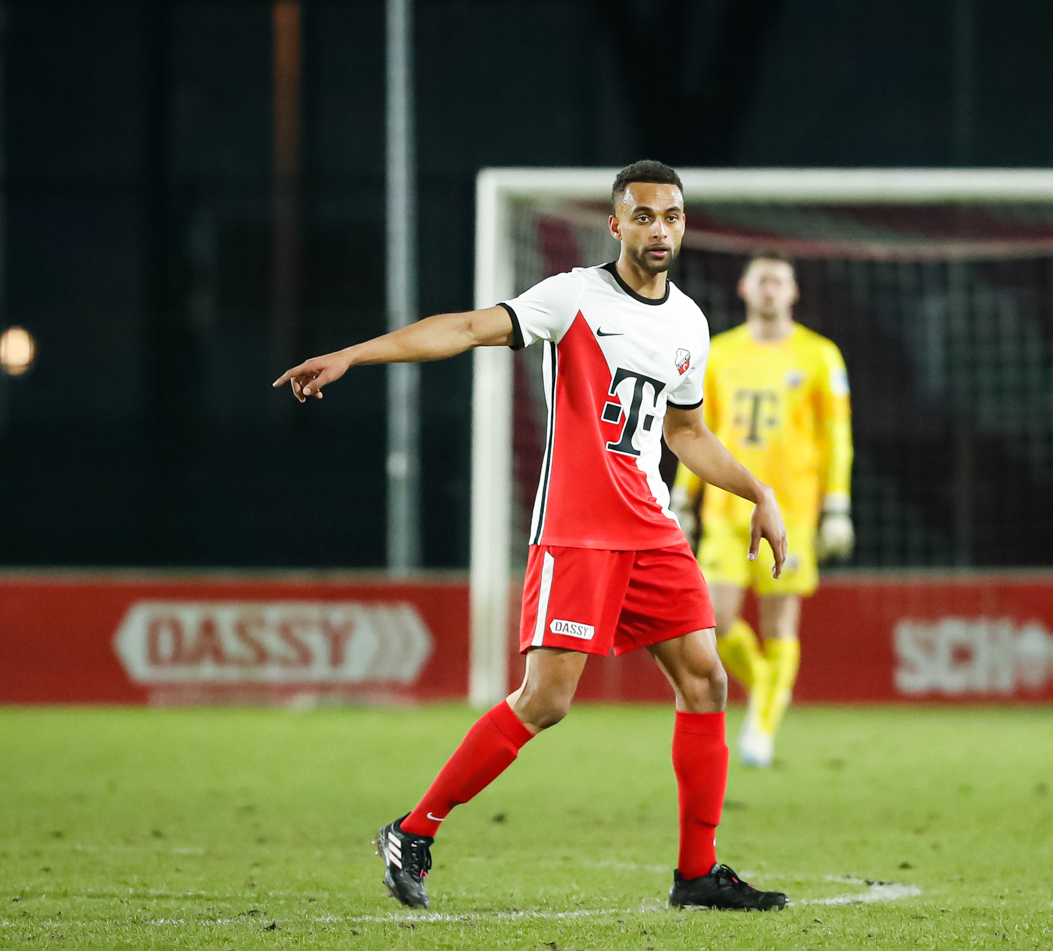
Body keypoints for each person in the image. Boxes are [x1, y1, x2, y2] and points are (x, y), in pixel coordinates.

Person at [274, 160, 790, 912]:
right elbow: (464, 327)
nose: (659, 229)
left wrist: (758, 490)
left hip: (651, 528)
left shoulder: (689, 322)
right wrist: (356, 354)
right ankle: (412, 830)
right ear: (615, 224)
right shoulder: (573, 296)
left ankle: (697, 872)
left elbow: (685, 431)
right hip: (578, 532)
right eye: (643, 215)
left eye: (671, 216)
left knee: (706, 678)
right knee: (545, 700)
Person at [671, 252, 853, 768]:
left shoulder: (820, 356)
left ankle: (763, 729)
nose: (770, 289)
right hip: (726, 510)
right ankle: (769, 690)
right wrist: (684, 497)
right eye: (762, 280)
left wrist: (836, 506)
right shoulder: (721, 352)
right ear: (744, 288)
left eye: (780, 281)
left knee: (780, 627)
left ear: (793, 293)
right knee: (715, 620)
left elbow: (836, 436)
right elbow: (695, 433)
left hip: (792, 510)